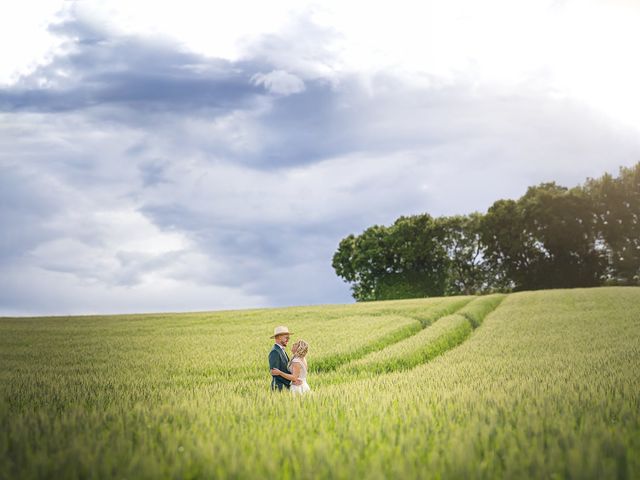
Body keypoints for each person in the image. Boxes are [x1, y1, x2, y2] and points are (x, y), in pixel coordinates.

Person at [268, 326, 301, 391]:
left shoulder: (281, 350)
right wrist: (291, 382)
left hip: (285, 387)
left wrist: (294, 379)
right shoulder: (275, 351)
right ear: (279, 337)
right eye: (286, 337)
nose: (288, 340)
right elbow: (275, 373)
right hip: (279, 388)